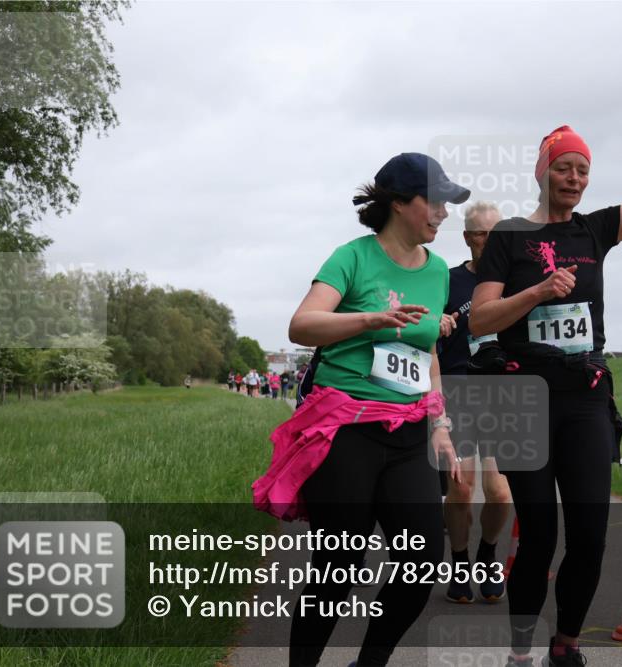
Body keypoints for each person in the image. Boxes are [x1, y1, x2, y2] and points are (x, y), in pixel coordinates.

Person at [469, 54, 622, 666]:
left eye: (583, 169)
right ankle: (521, 651)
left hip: (583, 397)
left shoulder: (595, 230)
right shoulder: (508, 239)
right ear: (543, 171)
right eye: (564, 168)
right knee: (539, 536)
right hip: (521, 397)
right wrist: (535, 292)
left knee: (589, 537)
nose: (575, 178)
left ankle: (566, 645)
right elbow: (479, 320)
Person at [252, 152, 472, 667]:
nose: (443, 213)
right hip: (346, 427)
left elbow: (426, 353)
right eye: (434, 201)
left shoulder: (438, 271)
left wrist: (439, 422)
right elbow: (302, 325)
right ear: (399, 203)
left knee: (420, 564)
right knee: (339, 565)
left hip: (409, 430)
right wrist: (371, 319)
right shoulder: (351, 258)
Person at [436, 201, 512, 604]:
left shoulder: (515, 280)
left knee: (500, 492)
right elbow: (425, 335)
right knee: (461, 490)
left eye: (497, 233)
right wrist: (440, 323)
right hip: (458, 390)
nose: (489, 241)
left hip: (501, 393)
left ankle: (488, 553)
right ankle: (461, 560)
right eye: (481, 234)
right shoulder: (447, 281)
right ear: (468, 238)